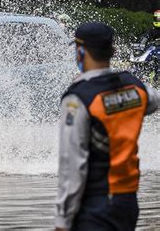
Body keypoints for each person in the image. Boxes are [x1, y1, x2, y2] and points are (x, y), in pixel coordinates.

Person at [55, 22, 159, 231]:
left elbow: (72, 167)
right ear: (112, 51)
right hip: (128, 201)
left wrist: (62, 222)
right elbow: (152, 102)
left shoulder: (78, 98)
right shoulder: (135, 87)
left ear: (81, 51)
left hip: (95, 205)